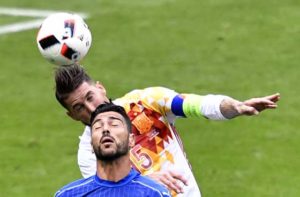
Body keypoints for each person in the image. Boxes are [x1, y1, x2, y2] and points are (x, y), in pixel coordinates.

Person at [54, 64, 280, 197]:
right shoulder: (88, 151)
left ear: (100, 88)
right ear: (71, 116)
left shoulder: (145, 102)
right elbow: (109, 191)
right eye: (79, 107)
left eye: (90, 97)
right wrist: (148, 181)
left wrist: (235, 107)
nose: (92, 108)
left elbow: (196, 105)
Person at [55, 102, 171, 197]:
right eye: (98, 127)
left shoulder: (155, 193)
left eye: (114, 124)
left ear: (131, 140)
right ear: (91, 144)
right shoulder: (68, 194)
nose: (105, 129)